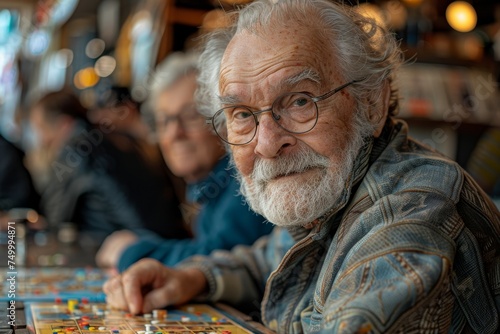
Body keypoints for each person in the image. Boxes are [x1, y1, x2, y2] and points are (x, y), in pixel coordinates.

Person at [103, 1, 500, 333]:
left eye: (299, 102)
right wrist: (190, 277)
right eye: (242, 113)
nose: (267, 143)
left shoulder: (412, 213)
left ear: (372, 103)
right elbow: (266, 260)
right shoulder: (332, 195)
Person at [95, 51, 273, 271]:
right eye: (164, 121)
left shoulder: (245, 179)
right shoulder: (209, 186)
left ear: (226, 122)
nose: (174, 133)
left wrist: (133, 252)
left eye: (191, 116)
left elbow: (221, 258)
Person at [29, 88, 188, 245]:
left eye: (42, 129)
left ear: (64, 124)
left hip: (131, 249)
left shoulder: (75, 150)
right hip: (169, 241)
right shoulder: (115, 138)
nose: (42, 140)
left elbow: (54, 218)